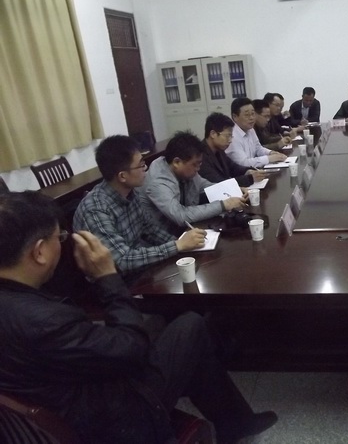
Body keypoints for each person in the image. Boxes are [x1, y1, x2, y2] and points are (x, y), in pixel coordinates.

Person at [0, 190, 277, 444]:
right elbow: (133, 350)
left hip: (68, 391)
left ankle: (234, 421)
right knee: (191, 328)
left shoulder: (17, 303)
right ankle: (234, 422)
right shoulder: (44, 321)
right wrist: (107, 277)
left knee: (189, 333)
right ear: (39, 252)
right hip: (110, 419)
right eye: (59, 238)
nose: (63, 245)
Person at [73, 135, 206, 274]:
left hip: (139, 267)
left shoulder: (131, 192)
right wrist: (177, 246)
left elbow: (150, 229)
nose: (145, 168)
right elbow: (122, 261)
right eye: (141, 165)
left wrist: (184, 243)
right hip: (117, 280)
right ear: (122, 176)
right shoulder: (95, 209)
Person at [140, 131, 247, 236]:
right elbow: (180, 216)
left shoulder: (185, 171)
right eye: (195, 164)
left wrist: (234, 189)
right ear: (177, 162)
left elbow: (204, 185)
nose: (198, 169)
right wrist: (223, 205)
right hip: (161, 238)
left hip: (184, 231)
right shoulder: (158, 182)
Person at [199, 112, 266, 187]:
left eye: (231, 136)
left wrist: (248, 171)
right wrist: (250, 178)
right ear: (213, 134)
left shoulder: (219, 150)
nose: (230, 140)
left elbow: (233, 167)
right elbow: (218, 183)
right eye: (227, 136)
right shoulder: (200, 155)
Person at [225, 97, 287, 168]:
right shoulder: (232, 136)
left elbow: (258, 148)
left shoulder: (250, 129)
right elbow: (243, 163)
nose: (251, 118)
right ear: (235, 117)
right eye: (247, 115)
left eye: (253, 114)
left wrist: (271, 153)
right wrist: (269, 158)